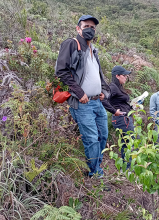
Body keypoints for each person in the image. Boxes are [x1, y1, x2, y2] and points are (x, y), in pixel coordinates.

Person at [55, 15, 110, 178]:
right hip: (83, 103)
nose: (90, 29)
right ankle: (95, 173)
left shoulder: (93, 50)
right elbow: (61, 72)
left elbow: (99, 75)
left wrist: (104, 92)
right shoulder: (71, 44)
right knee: (92, 138)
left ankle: (96, 165)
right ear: (78, 28)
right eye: (86, 26)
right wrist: (80, 93)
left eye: (93, 28)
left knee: (103, 136)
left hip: (97, 102)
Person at [102, 66, 134, 170]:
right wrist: (114, 111)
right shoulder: (113, 87)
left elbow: (120, 102)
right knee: (129, 143)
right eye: (124, 75)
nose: (126, 77)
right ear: (117, 76)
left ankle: (126, 168)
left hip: (124, 118)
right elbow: (104, 99)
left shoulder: (118, 87)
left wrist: (132, 106)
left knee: (127, 143)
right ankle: (127, 169)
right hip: (122, 119)